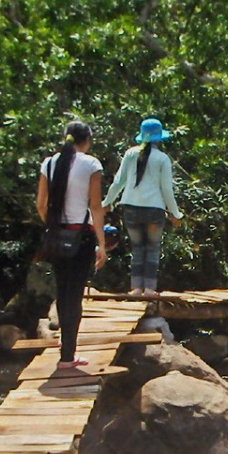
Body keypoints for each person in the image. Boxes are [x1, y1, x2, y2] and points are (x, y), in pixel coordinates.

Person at [37, 120, 107, 369]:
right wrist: (102, 243)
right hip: (82, 237)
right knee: (74, 295)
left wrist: (54, 227)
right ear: (86, 140)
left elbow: (41, 205)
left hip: (57, 236)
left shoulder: (49, 163)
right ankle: (68, 355)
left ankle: (65, 352)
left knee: (62, 290)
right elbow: (96, 206)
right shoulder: (91, 164)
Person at [102, 117, 183, 296]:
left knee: (137, 248)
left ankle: (136, 288)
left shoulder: (130, 154)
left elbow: (118, 182)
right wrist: (175, 214)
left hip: (131, 207)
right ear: (159, 138)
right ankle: (149, 288)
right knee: (152, 247)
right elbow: (166, 189)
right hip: (154, 210)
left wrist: (106, 203)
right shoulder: (162, 159)